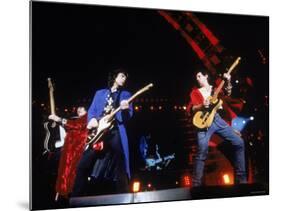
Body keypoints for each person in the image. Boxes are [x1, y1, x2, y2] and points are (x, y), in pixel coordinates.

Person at [72, 68, 133, 196]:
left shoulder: (126, 95)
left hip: (115, 130)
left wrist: (126, 109)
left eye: (125, 77)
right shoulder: (100, 93)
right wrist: (92, 119)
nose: (124, 78)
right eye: (122, 76)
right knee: (84, 162)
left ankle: (125, 196)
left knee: (121, 160)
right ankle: (76, 196)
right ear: (114, 77)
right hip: (99, 131)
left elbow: (128, 116)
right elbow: (92, 111)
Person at [188, 70, 247, 187]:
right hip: (204, 124)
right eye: (196, 77)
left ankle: (242, 181)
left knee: (239, 142)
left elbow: (228, 93)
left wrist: (228, 80)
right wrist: (201, 105)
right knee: (202, 153)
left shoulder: (215, 89)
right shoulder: (195, 92)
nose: (197, 78)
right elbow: (191, 108)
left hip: (217, 119)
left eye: (199, 76)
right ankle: (196, 186)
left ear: (206, 76)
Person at [48, 106, 88, 200]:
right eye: (78, 108)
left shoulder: (86, 117)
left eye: (81, 108)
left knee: (73, 172)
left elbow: (75, 125)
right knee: (64, 171)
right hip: (69, 149)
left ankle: (72, 195)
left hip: (76, 149)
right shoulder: (77, 118)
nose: (79, 110)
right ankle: (63, 193)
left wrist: (59, 119)